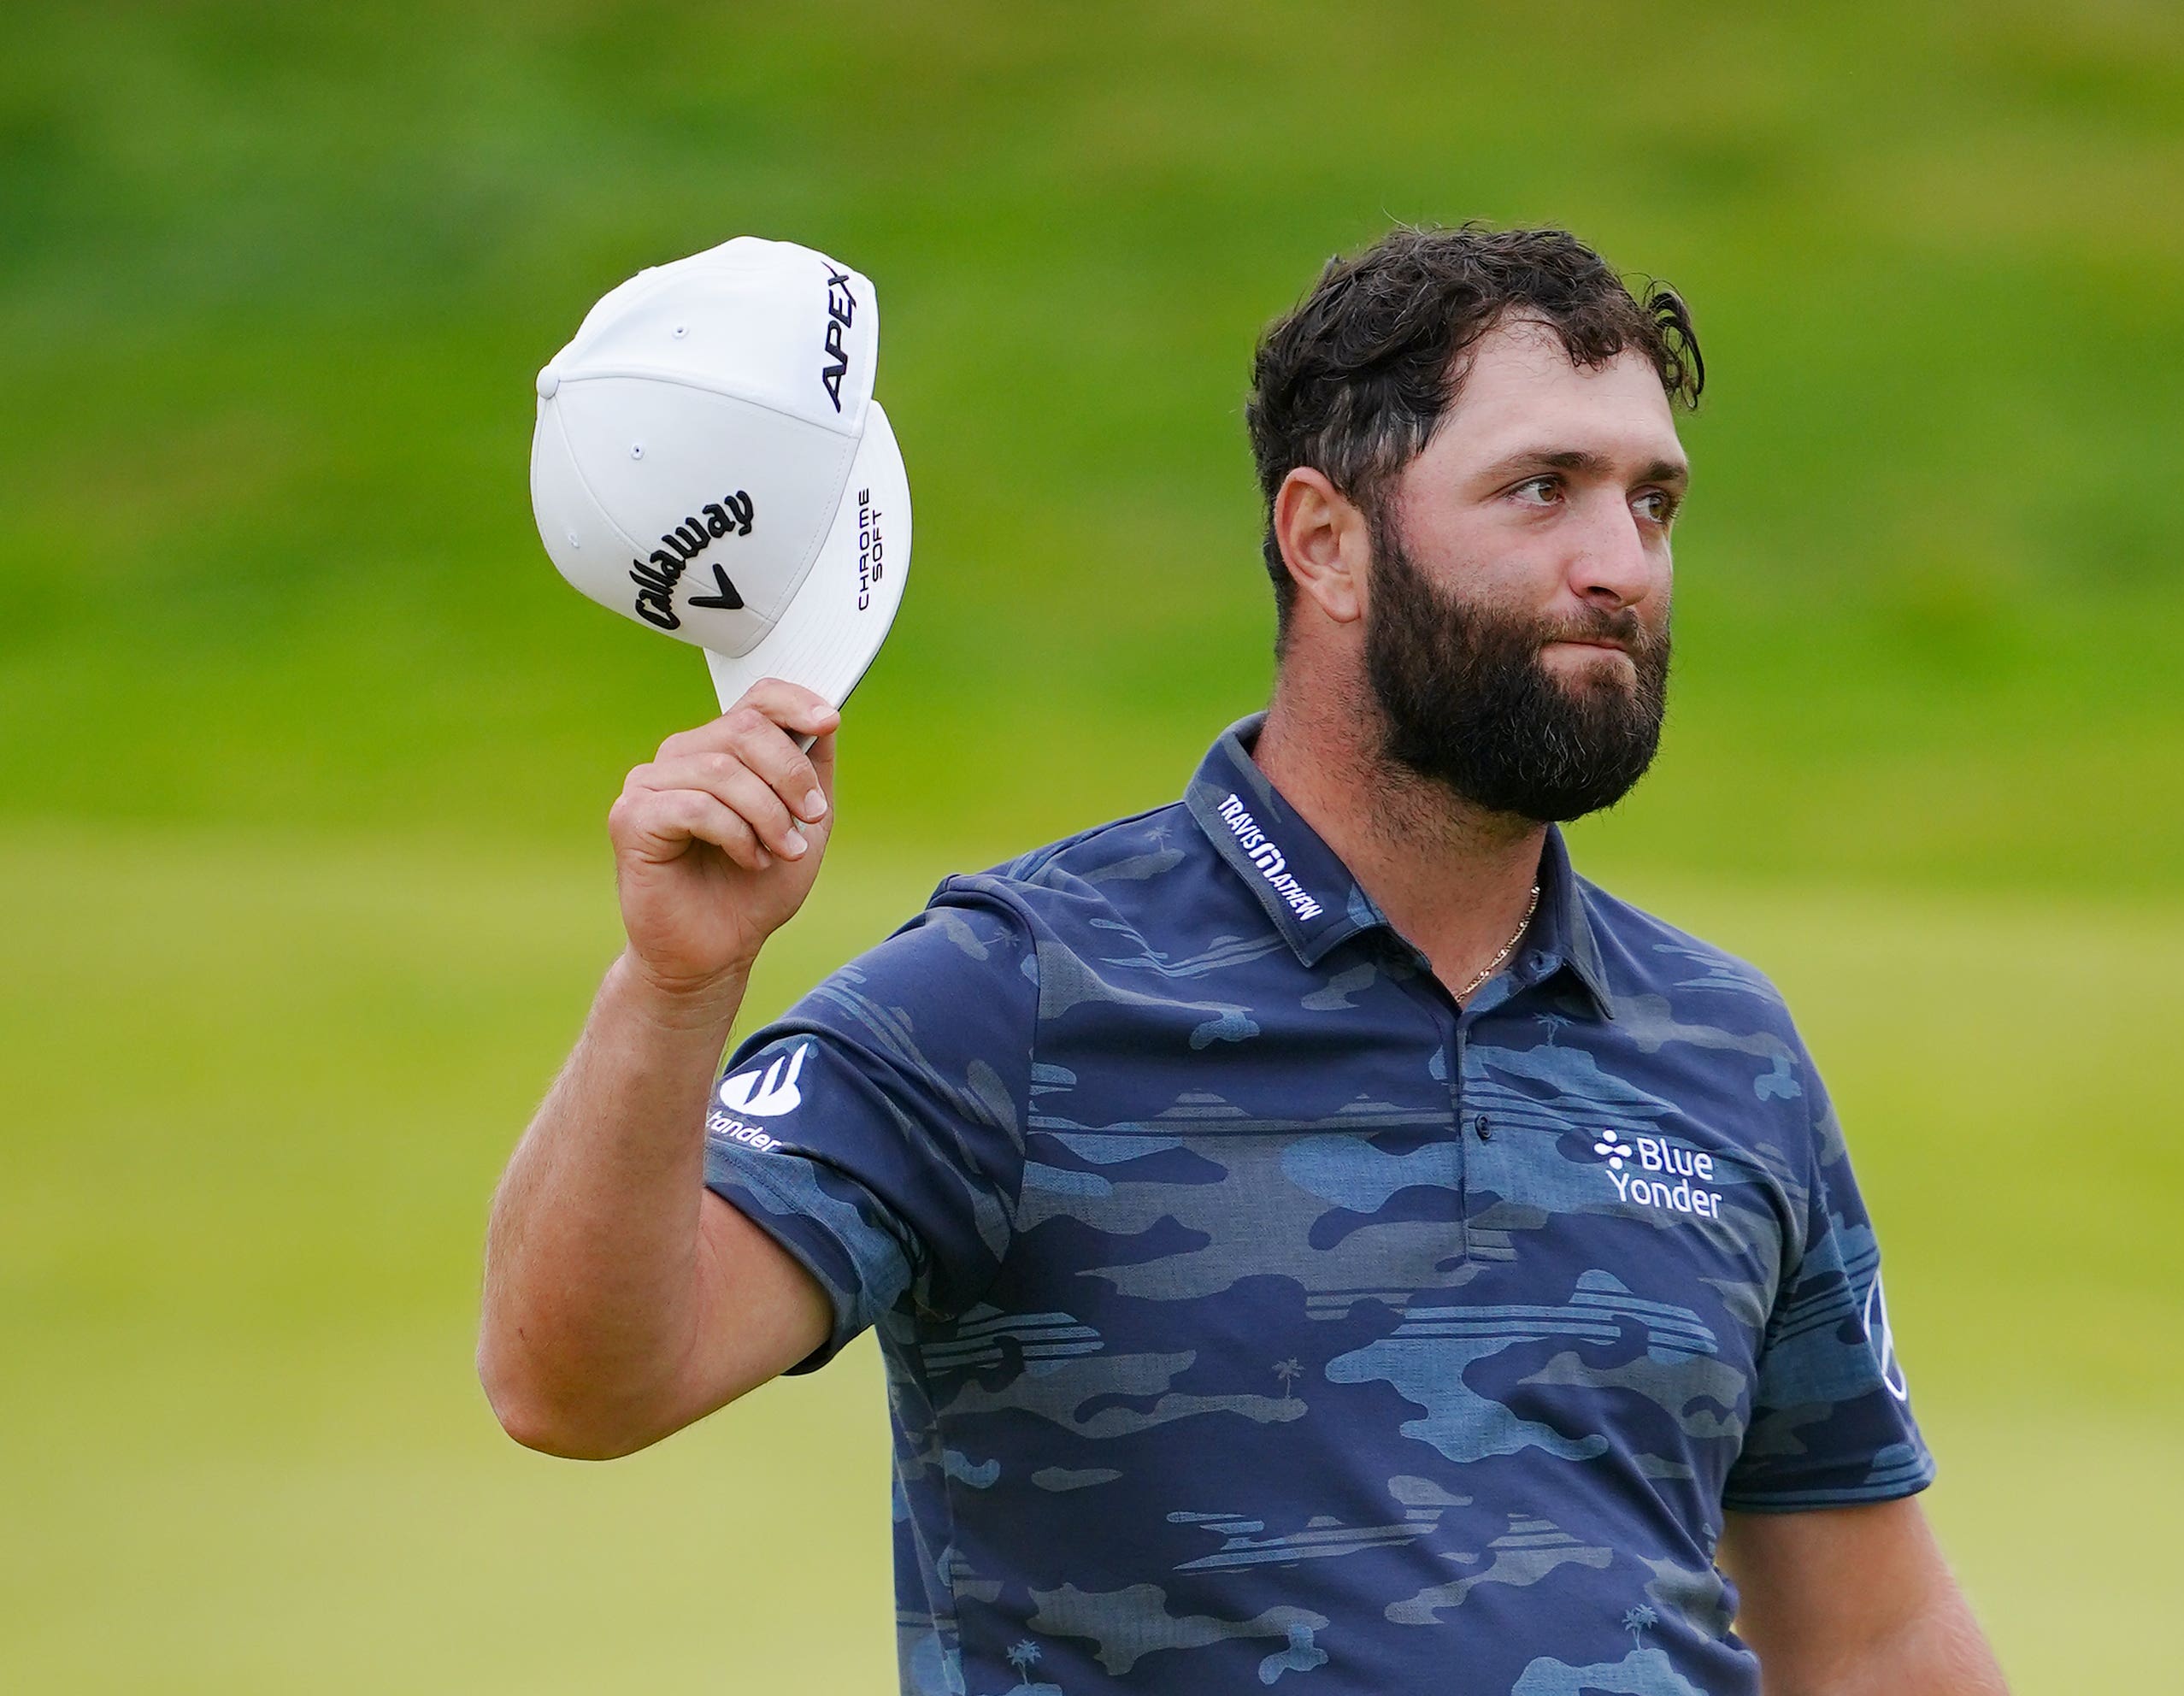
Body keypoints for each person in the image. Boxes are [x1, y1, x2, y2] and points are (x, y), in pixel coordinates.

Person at [479, 225, 2008, 1695]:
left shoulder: (1722, 1049)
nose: (1622, 563)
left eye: (1653, 502)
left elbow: (1867, 1642)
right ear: (1326, 541)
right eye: (1544, 489)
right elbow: (576, 1382)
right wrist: (674, 988)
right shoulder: (1018, 991)